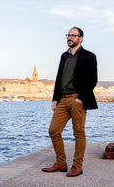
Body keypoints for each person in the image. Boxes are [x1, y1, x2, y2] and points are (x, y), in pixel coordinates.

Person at [42, 27, 98, 177]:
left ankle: (77, 166)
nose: (70, 38)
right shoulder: (63, 56)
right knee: (53, 130)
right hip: (62, 99)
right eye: (69, 35)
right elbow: (59, 78)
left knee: (78, 132)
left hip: (77, 99)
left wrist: (81, 98)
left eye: (74, 35)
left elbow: (93, 79)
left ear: (81, 38)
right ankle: (61, 163)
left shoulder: (89, 56)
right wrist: (55, 99)